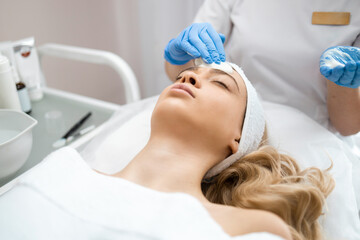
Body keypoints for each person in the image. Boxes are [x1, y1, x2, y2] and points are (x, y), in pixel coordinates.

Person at [0, 63, 334, 240]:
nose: (189, 75)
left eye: (220, 83)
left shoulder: (250, 227)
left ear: (239, 139)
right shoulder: (62, 170)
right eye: (185, 73)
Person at [164, 0, 360, 138]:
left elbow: (348, 125)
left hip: (311, 136)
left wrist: (342, 82)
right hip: (229, 126)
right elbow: (177, 74)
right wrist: (180, 56)